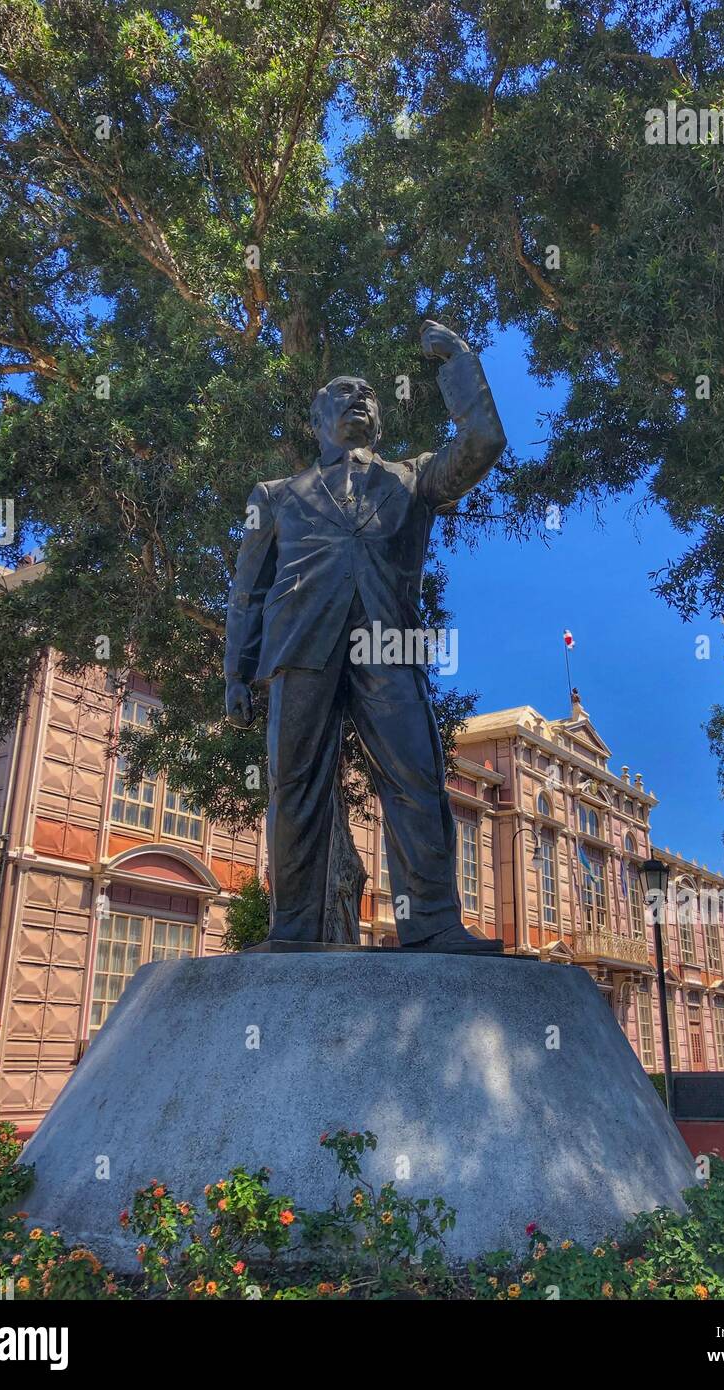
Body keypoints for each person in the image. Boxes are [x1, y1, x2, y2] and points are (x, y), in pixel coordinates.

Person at [225, 320, 507, 952]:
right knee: (293, 786)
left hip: (389, 646)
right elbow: (248, 590)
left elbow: (483, 441)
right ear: (316, 419)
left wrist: (459, 361)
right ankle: (294, 930)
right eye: (341, 393)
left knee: (417, 779)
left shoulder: (412, 479)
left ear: (378, 420)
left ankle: (432, 924)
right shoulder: (274, 497)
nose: (357, 397)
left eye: (368, 394)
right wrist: (236, 672)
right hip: (300, 651)